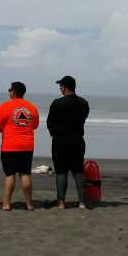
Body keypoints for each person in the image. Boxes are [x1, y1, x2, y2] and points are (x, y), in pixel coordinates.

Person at [0, 81, 39, 211]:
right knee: (25, 174)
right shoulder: (31, 107)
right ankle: (29, 204)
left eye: (10, 89)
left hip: (9, 145)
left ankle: (6, 204)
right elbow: (35, 125)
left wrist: (6, 128)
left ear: (13, 92)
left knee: (10, 174)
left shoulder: (5, 106)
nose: (9, 92)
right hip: (27, 145)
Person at [47, 75, 90, 209]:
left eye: (61, 86)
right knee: (78, 170)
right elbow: (83, 119)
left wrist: (54, 133)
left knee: (61, 171)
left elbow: (50, 123)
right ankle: (82, 201)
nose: (60, 88)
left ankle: (61, 202)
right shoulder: (84, 103)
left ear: (64, 87)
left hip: (60, 140)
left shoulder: (57, 103)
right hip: (77, 139)